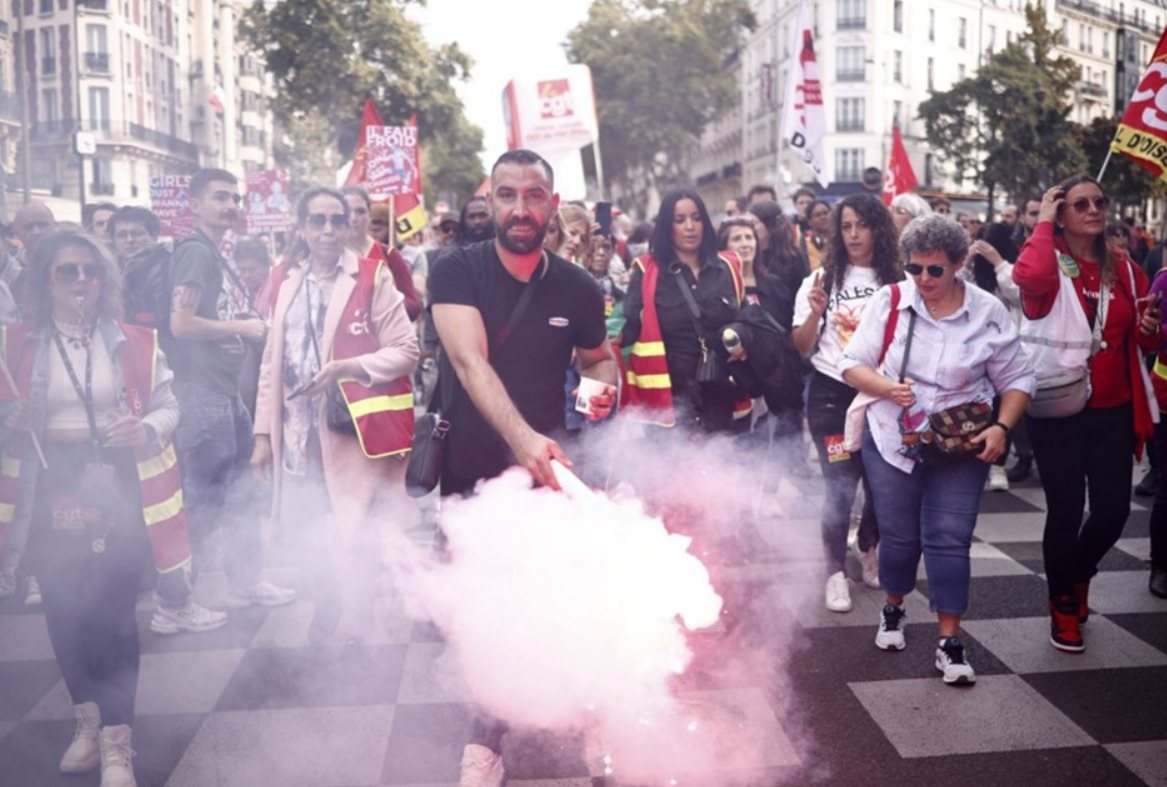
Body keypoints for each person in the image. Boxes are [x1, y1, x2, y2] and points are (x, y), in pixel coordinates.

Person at [429, 149, 617, 787]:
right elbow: (469, 364)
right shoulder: (455, 271)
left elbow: (598, 359)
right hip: (473, 472)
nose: (519, 208)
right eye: (506, 195)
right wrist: (524, 440)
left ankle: (590, 722)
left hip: (552, 472)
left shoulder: (577, 286)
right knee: (488, 612)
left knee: (563, 597)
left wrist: (599, 390)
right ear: (490, 199)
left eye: (533, 196)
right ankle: (487, 743)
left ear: (551, 202)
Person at [0, 230, 190, 786]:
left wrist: (145, 427)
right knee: (64, 612)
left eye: (91, 271)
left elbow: (169, 406)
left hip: (117, 489)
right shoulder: (14, 345)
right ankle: (87, 719)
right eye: (67, 271)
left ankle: (117, 743)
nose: (81, 281)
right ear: (43, 280)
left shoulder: (137, 341)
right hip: (47, 488)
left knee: (112, 616)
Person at [840, 214, 1034, 685]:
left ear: (959, 264)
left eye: (934, 270)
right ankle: (893, 606)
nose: (923, 280)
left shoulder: (987, 311)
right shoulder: (890, 301)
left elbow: (1017, 378)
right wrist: (887, 388)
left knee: (949, 536)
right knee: (900, 535)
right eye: (914, 269)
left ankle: (949, 642)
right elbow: (851, 364)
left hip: (961, 442)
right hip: (893, 439)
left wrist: (1001, 427)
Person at [251, 187, 418, 643]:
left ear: (347, 226)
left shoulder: (372, 276)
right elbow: (271, 365)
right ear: (301, 227)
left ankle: (355, 622)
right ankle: (329, 608)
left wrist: (349, 367)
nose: (327, 230)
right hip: (298, 434)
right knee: (314, 528)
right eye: (317, 221)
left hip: (349, 434)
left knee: (352, 529)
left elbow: (407, 350)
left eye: (335, 221)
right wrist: (263, 436)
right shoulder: (285, 281)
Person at [1014, 176, 1160, 653]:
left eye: (1100, 200)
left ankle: (1078, 576)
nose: (1094, 209)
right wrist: (1041, 223)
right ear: (1062, 212)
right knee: (1065, 509)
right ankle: (1063, 606)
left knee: (1114, 511)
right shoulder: (1050, 260)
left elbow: (1146, 343)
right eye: (1080, 203)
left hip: (1113, 408)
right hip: (1057, 406)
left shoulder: (1126, 268)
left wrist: (1149, 329)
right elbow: (1030, 280)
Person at [164, 167, 293, 631]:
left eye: (235, 198)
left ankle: (245, 581)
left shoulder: (213, 254)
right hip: (202, 395)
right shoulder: (196, 253)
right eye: (220, 197)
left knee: (243, 493)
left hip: (222, 392)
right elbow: (181, 323)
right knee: (204, 501)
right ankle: (175, 604)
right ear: (194, 205)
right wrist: (242, 327)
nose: (232, 205)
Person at [793, 193, 901, 611]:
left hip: (881, 397)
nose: (854, 234)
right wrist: (816, 315)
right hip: (830, 396)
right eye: (846, 226)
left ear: (878, 228)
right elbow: (801, 347)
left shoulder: (897, 279)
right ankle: (833, 572)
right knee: (840, 487)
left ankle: (869, 549)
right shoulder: (821, 280)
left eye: (863, 225)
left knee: (880, 486)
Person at [622, 189, 749, 432]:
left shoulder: (728, 267)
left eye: (697, 218)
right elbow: (627, 329)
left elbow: (745, 318)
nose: (690, 227)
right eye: (679, 220)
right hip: (670, 401)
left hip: (724, 393)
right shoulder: (646, 271)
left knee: (728, 467)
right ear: (666, 227)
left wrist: (743, 340)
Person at [961, 222, 1024, 492]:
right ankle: (972, 461)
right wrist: (968, 260)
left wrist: (998, 262)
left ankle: (997, 465)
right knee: (975, 407)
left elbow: (1018, 293)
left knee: (1001, 407)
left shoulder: (1011, 271)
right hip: (972, 350)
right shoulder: (973, 274)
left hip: (1005, 349)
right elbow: (953, 285)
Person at [341, 186, 423, 322]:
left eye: (360, 211)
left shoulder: (390, 255)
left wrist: (385, 306)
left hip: (383, 340)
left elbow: (413, 306)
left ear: (369, 215)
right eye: (348, 211)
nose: (353, 218)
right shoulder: (327, 254)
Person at [748, 200, 807, 330]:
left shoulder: (793, 257)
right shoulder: (749, 257)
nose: (749, 228)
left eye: (753, 223)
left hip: (786, 327)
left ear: (769, 225)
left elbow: (803, 294)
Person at [802, 199, 832, 271]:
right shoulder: (805, 244)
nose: (823, 217)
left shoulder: (841, 240)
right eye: (818, 215)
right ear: (809, 221)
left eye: (825, 213)